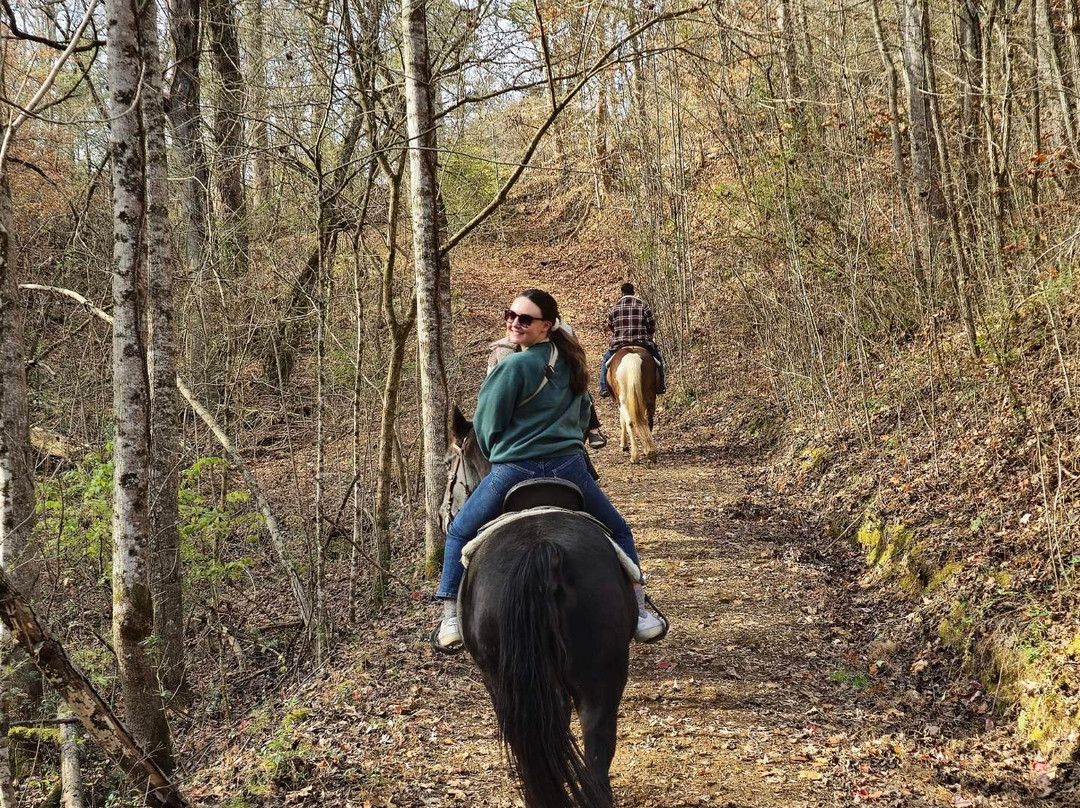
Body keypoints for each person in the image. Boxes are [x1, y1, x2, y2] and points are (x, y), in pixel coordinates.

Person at [435, 288, 665, 649]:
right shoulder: (572, 364)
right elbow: (581, 417)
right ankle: (640, 612)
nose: (514, 322)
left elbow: (484, 426)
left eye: (525, 319)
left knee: (460, 531)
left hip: (514, 472)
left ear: (547, 326)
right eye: (510, 315)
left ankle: (450, 617)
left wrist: (504, 454)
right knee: (619, 530)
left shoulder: (511, 366)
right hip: (569, 470)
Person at [488, 323, 608, 449]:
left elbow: (577, 362)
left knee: (579, 384)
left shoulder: (565, 331)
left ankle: (592, 429)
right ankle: (593, 429)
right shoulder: (502, 348)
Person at [598, 282, 666, 398]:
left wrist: (619, 334)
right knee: (658, 360)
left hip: (620, 344)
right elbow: (651, 325)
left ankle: (604, 387)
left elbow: (611, 326)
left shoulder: (614, 308)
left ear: (622, 292)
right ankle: (661, 386)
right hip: (642, 343)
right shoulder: (643, 306)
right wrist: (648, 335)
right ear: (633, 292)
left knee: (605, 361)